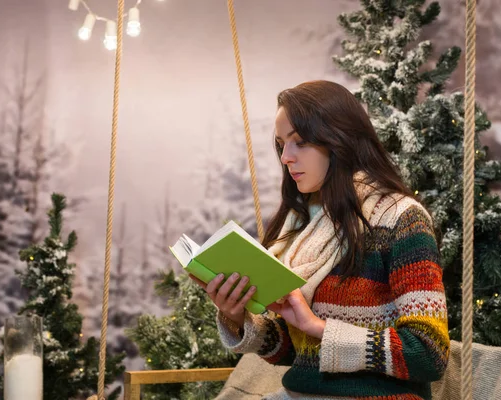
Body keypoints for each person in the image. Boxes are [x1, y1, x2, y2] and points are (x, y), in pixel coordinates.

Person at [190, 80, 450, 399]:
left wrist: (319, 329)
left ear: (338, 140)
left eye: (299, 142)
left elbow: (429, 354)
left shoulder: (401, 218)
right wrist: (236, 316)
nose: (286, 157)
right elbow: (295, 353)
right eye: (281, 144)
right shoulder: (303, 224)